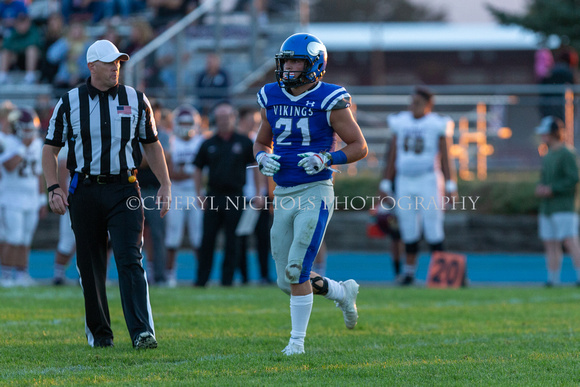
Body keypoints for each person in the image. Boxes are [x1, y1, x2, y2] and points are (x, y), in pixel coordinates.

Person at [42, 39, 171, 349]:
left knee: (130, 258)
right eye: (110, 62)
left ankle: (142, 331)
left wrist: (166, 184)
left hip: (125, 187)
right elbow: (50, 150)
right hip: (84, 189)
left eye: (119, 62)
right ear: (91, 66)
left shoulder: (136, 99)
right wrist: (53, 187)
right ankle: (100, 335)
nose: (116, 67)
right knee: (90, 264)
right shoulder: (70, 102)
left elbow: (152, 144)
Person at [253, 33, 368, 355]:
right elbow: (261, 142)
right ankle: (340, 292)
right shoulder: (271, 96)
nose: (289, 68)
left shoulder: (330, 99)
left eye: (296, 61)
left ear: (315, 64)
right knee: (284, 280)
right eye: (286, 61)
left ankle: (296, 342)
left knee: (296, 269)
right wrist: (262, 157)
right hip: (284, 192)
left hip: (315, 191)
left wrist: (327, 158)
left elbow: (360, 146)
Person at [380, 86, 457, 286]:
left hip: (429, 179)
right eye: (411, 102)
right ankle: (409, 273)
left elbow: (446, 156)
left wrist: (450, 185)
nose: (412, 106)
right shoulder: (400, 121)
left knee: (433, 227)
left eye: (417, 103)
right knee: (408, 228)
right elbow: (393, 155)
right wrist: (386, 182)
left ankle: (444, 276)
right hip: (405, 179)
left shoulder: (437, 123)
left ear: (428, 105)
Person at [193, 101, 256, 287]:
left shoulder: (244, 142)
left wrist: (260, 192)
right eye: (220, 117)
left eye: (227, 116)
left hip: (236, 196)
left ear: (234, 118)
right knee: (207, 240)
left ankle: (227, 280)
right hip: (213, 196)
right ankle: (201, 280)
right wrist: (199, 194)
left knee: (233, 241)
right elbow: (197, 169)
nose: (223, 121)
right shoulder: (208, 143)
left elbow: (256, 167)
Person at [0, 107, 46, 287]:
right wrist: (22, 148)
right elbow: (10, 166)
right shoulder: (7, 142)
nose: (29, 133)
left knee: (26, 239)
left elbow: (38, 174)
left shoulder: (37, 144)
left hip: (31, 198)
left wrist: (42, 199)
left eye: (30, 129)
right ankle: (5, 274)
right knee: (14, 238)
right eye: (25, 129)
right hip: (11, 198)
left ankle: (21, 273)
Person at [534, 116, 580, 287]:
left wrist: (553, 189)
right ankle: (553, 279)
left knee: (570, 241)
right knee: (550, 243)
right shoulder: (548, 155)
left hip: (564, 207)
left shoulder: (567, 153)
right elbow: (544, 178)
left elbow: (573, 178)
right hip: (548, 208)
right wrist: (541, 188)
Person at [164, 104, 205, 287]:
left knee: (199, 236)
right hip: (176, 192)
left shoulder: (201, 141)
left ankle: (201, 275)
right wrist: (192, 173)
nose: (187, 126)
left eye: (190, 122)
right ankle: (170, 275)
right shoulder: (171, 141)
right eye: (184, 122)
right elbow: (171, 172)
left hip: (196, 193)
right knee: (173, 235)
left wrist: (187, 173)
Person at [236, 106, 272, 285]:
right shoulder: (243, 141)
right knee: (242, 238)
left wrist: (262, 193)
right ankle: (244, 276)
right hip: (245, 195)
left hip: (257, 196)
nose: (256, 123)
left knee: (263, 239)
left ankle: (264, 275)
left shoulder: (255, 140)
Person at [195, 52, 230, 117]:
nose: (210, 65)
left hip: (220, 103)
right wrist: (205, 102)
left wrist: (215, 102)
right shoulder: (202, 75)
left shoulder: (224, 75)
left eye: (211, 62)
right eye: (208, 62)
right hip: (204, 105)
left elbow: (226, 91)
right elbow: (198, 90)